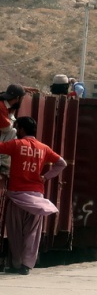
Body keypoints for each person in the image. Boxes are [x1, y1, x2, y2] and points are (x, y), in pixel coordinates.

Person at [1, 116, 67, 275]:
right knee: (32, 232)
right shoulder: (43, 148)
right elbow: (62, 163)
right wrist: (46, 177)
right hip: (36, 197)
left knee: (15, 232)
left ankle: (16, 264)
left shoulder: (16, 145)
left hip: (16, 196)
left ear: (22, 129)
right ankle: (26, 265)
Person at [0, 84, 38, 176]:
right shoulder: (1, 107)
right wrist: (12, 117)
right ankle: (3, 162)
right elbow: (6, 128)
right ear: (17, 98)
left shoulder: (3, 104)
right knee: (13, 131)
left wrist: (22, 89)